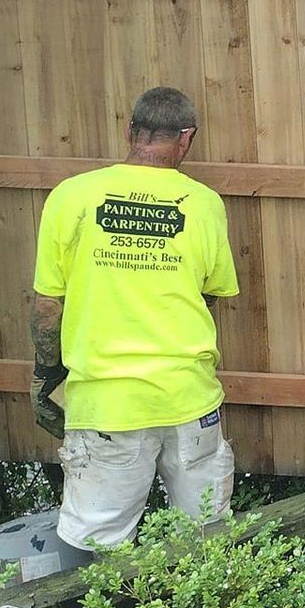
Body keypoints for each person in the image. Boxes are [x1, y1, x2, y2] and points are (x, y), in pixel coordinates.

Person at [30, 86, 240, 551]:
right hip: (189, 398)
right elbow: (211, 295)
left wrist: (45, 377)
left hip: (107, 402)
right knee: (207, 531)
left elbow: (48, 307)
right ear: (187, 139)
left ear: (130, 131)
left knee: (95, 540)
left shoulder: (72, 197)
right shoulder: (203, 204)